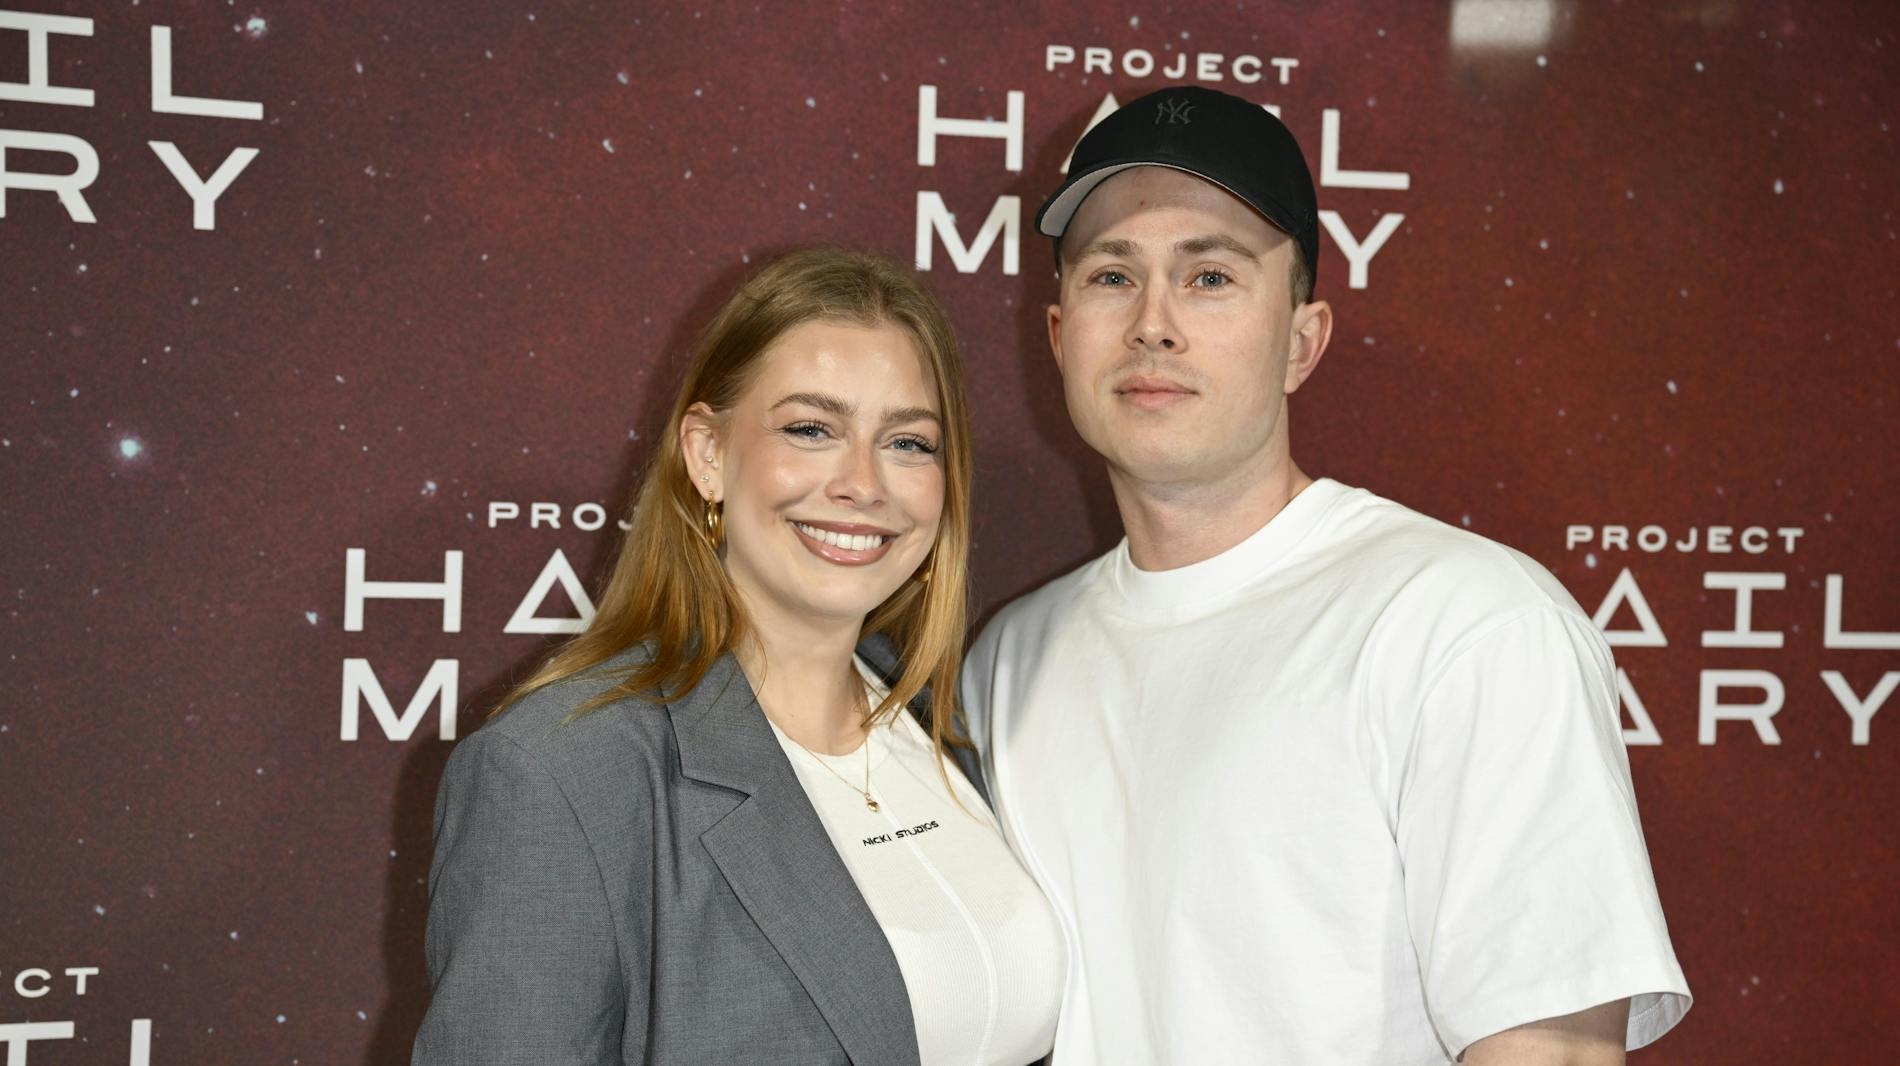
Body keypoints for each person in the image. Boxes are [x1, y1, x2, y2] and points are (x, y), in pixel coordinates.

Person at [961, 86, 1692, 1064]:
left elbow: (1554, 1049)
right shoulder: (1011, 661)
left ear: (1301, 343)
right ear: (1059, 337)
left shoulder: (1464, 624)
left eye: (1210, 276)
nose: (1153, 324)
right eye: (1111, 275)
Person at [413, 248, 1063, 1065]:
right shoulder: (564, 772)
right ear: (708, 454)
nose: (863, 484)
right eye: (811, 430)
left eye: (908, 442)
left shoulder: (948, 719)